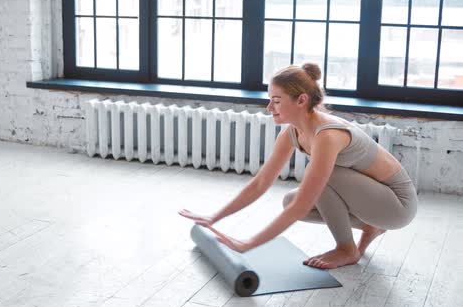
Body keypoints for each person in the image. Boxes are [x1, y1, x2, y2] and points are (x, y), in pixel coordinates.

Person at [179, 63, 418, 269]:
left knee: (322, 179)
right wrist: (214, 217)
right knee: (289, 201)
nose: (269, 108)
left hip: (398, 205)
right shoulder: (291, 133)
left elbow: (306, 200)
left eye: (276, 101)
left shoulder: (328, 135)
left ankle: (347, 249)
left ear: (301, 100)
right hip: (372, 201)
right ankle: (370, 225)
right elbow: (261, 182)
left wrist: (248, 244)